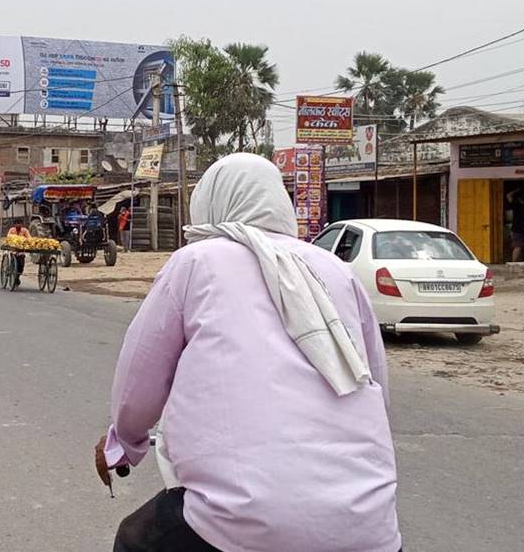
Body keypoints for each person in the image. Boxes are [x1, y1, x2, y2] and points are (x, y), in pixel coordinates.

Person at [95, 153, 400, 552]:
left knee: (134, 539)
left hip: (239, 523)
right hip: (369, 528)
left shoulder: (196, 262)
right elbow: (376, 383)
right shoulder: (336, 271)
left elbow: (140, 379)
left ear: (210, 202)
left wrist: (125, 443)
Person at [6, 218, 32, 286]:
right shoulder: (11, 230)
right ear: (14, 224)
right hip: (13, 251)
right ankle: (12, 273)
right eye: (17, 223)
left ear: (22, 224)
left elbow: (29, 238)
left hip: (21, 252)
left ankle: (17, 277)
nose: (18, 225)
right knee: (14, 263)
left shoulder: (25, 231)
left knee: (21, 266)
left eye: (19, 223)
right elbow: (8, 238)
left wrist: (25, 241)